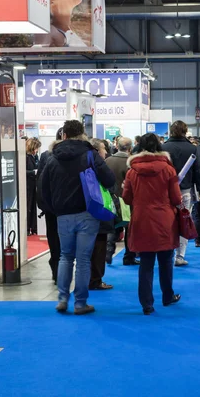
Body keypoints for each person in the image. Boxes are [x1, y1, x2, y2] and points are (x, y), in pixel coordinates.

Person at [40, 120, 116, 315]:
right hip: (88, 213)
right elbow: (109, 179)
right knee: (83, 259)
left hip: (63, 215)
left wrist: (54, 208)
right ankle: (80, 303)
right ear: (82, 134)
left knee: (65, 256)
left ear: (64, 135)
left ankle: (62, 299)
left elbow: (43, 189)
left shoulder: (51, 157)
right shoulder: (90, 155)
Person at [122, 133, 182, 315]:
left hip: (142, 219)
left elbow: (126, 198)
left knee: (146, 264)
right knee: (166, 260)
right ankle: (167, 296)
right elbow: (176, 198)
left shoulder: (132, 171)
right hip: (164, 219)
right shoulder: (169, 170)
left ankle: (147, 304)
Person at [162, 121, 200, 266]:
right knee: (184, 220)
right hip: (185, 190)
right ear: (186, 131)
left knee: (167, 221)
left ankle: (167, 252)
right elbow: (197, 170)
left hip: (165, 190)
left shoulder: (163, 147)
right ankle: (180, 256)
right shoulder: (192, 148)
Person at [105, 136, 139, 266]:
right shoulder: (131, 163)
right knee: (129, 229)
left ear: (117, 146)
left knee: (112, 228)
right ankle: (129, 257)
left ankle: (108, 252)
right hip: (127, 201)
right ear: (130, 148)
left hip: (110, 199)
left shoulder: (107, 161)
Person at [88, 138, 115, 291]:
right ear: (98, 151)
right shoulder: (98, 164)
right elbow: (110, 181)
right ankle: (95, 280)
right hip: (99, 210)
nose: (106, 151)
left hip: (84, 211)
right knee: (99, 246)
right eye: (104, 149)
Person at [37, 128, 63, 285]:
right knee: (56, 239)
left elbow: (40, 182)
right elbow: (41, 182)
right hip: (57, 206)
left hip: (52, 206)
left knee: (55, 238)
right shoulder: (47, 156)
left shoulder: (46, 156)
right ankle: (56, 266)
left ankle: (57, 266)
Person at [26, 138, 41, 236]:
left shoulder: (35, 157)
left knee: (33, 207)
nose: (37, 150)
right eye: (36, 148)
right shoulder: (26, 157)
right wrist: (34, 172)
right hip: (28, 186)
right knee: (28, 206)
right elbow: (22, 171)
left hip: (34, 185)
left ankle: (33, 228)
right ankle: (27, 228)